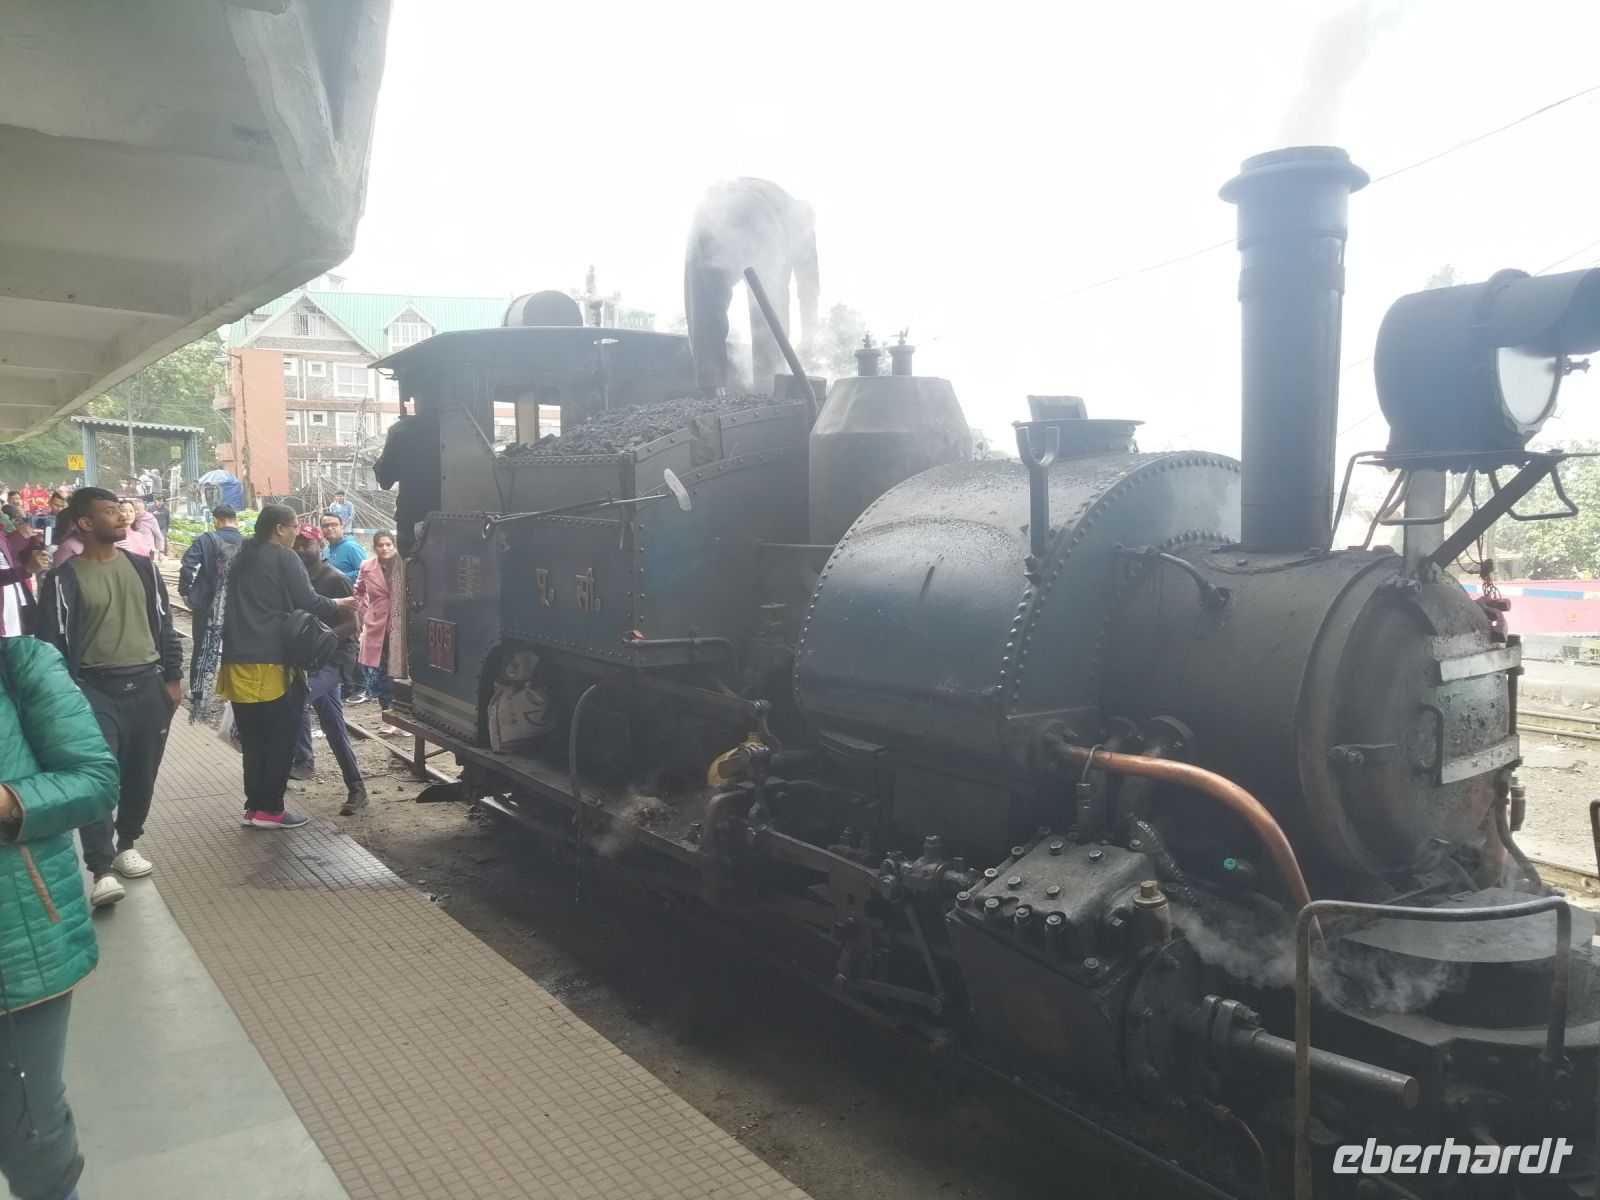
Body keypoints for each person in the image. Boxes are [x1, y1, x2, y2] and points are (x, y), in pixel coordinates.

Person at [0, 636, 119, 1200]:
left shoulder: (20, 666)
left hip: (16, 946)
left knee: (29, 1135)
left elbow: (95, 778)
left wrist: (8, 802)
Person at [35, 487, 183, 908]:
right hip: (94, 690)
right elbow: (50, 643)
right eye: (109, 512)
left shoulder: (143, 568)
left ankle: (127, 842)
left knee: (142, 772)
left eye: (122, 510)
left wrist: (172, 678)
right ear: (84, 523)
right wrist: (63, 700)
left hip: (148, 685)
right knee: (97, 777)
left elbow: (165, 624)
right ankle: (101, 868)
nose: (122, 517)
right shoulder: (63, 580)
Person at [218, 504, 355, 829]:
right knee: (281, 736)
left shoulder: (242, 556)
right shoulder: (284, 557)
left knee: (253, 740)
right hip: (271, 664)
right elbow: (308, 601)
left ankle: (255, 807)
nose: (296, 533)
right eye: (294, 526)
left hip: (237, 663)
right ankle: (272, 810)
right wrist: (339, 603)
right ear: (280, 528)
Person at [290, 527, 367, 814]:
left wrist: (323, 639)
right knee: (334, 727)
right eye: (296, 543)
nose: (300, 549)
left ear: (320, 545)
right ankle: (357, 789)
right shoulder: (297, 580)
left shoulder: (335, 579)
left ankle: (303, 760)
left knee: (298, 697)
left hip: (335, 659)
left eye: (306, 544)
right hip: (309, 660)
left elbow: (353, 625)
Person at [177, 505, 243, 687]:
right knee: (233, 647)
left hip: (206, 603)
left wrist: (185, 592)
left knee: (202, 648)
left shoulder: (205, 539)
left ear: (215, 520)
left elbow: (188, 566)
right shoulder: (246, 542)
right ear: (235, 520)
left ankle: (197, 691)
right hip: (235, 606)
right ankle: (232, 687)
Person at [373, 400, 440, 556]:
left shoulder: (402, 429)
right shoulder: (456, 428)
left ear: (417, 398)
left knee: (416, 572)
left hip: (414, 516)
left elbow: (385, 478)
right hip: (457, 521)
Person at [355, 530, 400, 734]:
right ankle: (387, 716)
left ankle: (402, 717)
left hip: (401, 622)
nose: (385, 548)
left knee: (400, 672)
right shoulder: (367, 567)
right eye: (381, 545)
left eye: (388, 544)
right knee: (381, 672)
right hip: (378, 623)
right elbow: (358, 591)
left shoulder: (405, 564)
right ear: (375, 547)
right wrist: (366, 612)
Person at [319, 513, 366, 584]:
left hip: (350, 593)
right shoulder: (326, 549)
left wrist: (339, 578)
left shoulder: (351, 547)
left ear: (342, 527)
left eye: (334, 525)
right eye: (325, 526)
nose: (329, 528)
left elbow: (366, 571)